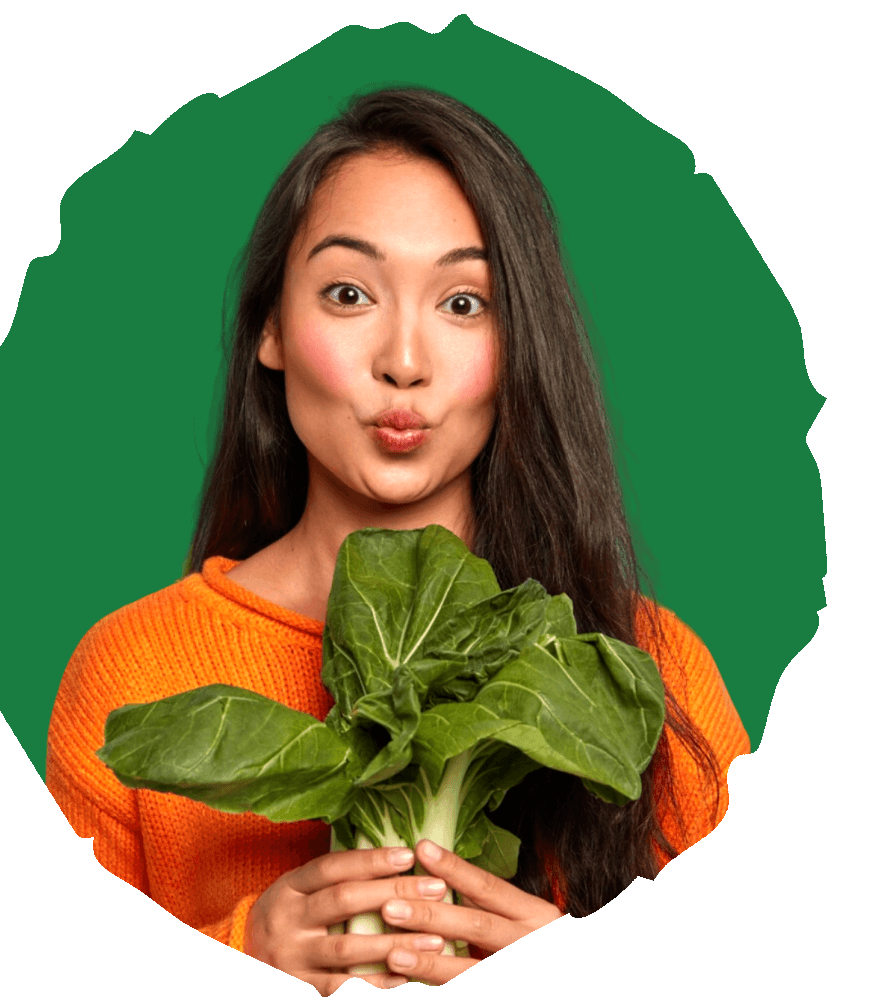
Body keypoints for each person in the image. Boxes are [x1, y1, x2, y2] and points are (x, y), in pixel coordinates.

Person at [46, 86, 750, 991]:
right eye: (349, 294)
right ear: (271, 328)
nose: (406, 362)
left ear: (520, 340)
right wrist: (241, 952)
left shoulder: (644, 668)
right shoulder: (131, 671)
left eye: (464, 303)